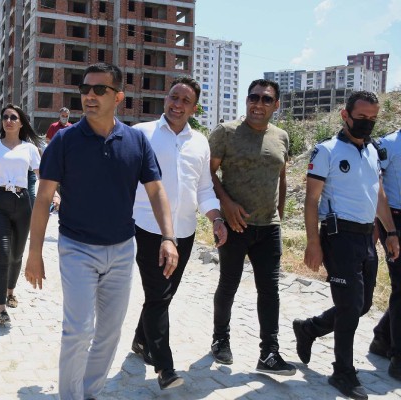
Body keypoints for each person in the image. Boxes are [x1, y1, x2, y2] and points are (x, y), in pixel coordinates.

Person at [24, 62, 178, 400]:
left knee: (109, 333)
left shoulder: (136, 141)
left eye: (99, 89)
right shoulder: (64, 141)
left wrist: (168, 237)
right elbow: (44, 197)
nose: (89, 96)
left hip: (122, 250)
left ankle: (90, 392)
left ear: (118, 96)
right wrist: (34, 253)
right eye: (85, 89)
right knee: (78, 330)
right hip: (76, 248)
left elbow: (156, 191)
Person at [293, 91, 399, 399]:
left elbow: (379, 195)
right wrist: (313, 243)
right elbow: (311, 201)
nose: (367, 123)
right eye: (361, 117)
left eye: (372, 118)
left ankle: (309, 328)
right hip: (338, 237)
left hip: (366, 238)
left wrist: (391, 232)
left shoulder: (373, 151)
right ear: (345, 115)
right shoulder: (326, 150)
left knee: (362, 304)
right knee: (350, 307)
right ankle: (342, 372)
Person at [129, 76, 228, 389]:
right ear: (165, 99)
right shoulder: (141, 133)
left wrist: (215, 218)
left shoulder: (200, 142)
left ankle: (141, 340)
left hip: (185, 231)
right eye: (174, 97)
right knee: (159, 294)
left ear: (194, 108)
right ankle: (164, 367)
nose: (178, 104)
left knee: (164, 294)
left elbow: (204, 188)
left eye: (186, 101)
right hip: (148, 227)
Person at [208, 79, 297, 376]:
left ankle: (269, 353)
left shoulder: (281, 136)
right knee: (229, 284)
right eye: (253, 97)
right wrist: (226, 204)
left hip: (268, 227)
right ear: (247, 101)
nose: (259, 104)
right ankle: (220, 339)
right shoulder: (226, 132)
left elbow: (281, 177)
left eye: (266, 99)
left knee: (270, 290)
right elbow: (208, 173)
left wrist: (279, 214)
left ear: (276, 105)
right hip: (235, 225)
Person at [0, 104, 42, 324]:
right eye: (5, 117)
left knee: (17, 255)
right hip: (0, 203)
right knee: (3, 255)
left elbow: (41, 175)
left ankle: (11, 291)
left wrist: (55, 195)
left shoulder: (30, 149)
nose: (8, 121)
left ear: (21, 123)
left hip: (23, 204)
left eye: (13, 117)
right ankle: (1, 308)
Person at [370, 126, 401, 380]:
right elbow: (373, 185)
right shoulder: (388, 144)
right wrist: (378, 227)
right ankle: (398, 357)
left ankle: (382, 338)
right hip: (394, 222)